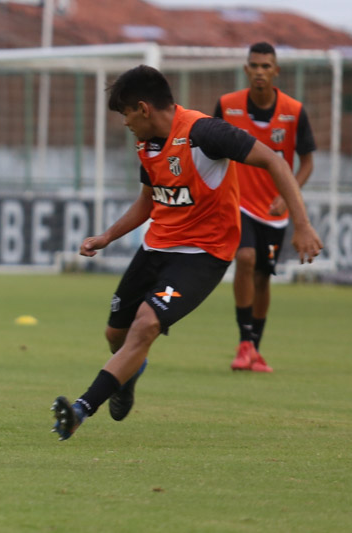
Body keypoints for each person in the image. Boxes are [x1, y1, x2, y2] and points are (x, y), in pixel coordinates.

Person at [50, 65, 322, 441]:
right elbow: (149, 200)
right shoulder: (147, 144)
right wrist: (107, 236)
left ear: (143, 108)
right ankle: (127, 377)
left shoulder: (206, 132)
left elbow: (275, 161)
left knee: (145, 326)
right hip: (156, 246)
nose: (124, 122)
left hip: (204, 254)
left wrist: (302, 224)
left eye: (126, 113)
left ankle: (80, 409)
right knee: (116, 334)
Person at [215, 42, 316, 373]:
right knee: (245, 259)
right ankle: (244, 343)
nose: (260, 71)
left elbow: (307, 163)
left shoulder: (293, 111)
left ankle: (254, 350)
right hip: (236, 201)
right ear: (246, 70)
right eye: (254, 65)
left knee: (263, 278)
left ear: (276, 71)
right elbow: (209, 148)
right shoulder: (227, 106)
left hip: (275, 211)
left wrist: (287, 196)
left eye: (266, 66)